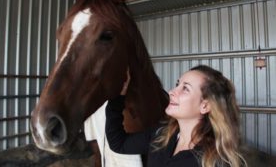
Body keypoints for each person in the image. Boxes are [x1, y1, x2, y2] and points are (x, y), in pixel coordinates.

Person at [105, 65, 247, 167]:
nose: (172, 91)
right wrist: (118, 98)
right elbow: (119, 144)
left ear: (205, 106)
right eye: (177, 84)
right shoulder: (160, 136)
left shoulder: (214, 161)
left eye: (185, 88)